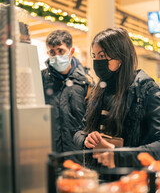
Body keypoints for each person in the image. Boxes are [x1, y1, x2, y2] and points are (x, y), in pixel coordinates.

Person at [73, 27, 160, 168]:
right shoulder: (99, 89)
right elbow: (79, 130)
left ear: (121, 57)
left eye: (102, 56)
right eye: (94, 56)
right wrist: (85, 139)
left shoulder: (147, 91)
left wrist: (119, 156)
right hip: (98, 176)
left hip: (131, 180)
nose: (97, 62)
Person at [41, 30, 94, 165]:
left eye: (61, 51)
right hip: (50, 156)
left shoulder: (85, 83)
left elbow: (92, 121)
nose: (57, 55)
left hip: (78, 158)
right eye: (52, 52)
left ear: (71, 52)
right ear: (48, 54)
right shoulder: (41, 80)